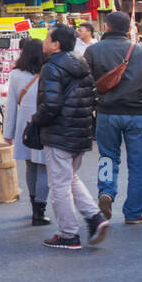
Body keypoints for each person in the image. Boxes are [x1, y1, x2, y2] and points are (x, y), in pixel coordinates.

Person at [37, 25, 109, 250]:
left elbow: (50, 104)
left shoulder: (51, 68)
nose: (44, 42)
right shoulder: (81, 62)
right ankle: (95, 217)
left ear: (56, 44)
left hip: (60, 133)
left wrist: (36, 121)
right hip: (80, 131)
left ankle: (68, 234)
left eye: (47, 38)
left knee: (59, 184)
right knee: (70, 178)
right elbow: (92, 97)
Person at [83, 11, 142, 224]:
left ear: (106, 27)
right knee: (139, 164)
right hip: (137, 115)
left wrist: (95, 106)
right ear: (128, 29)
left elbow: (85, 85)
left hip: (106, 114)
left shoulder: (93, 51)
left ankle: (106, 191)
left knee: (107, 157)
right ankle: (133, 212)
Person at [5, 38, 49, 226]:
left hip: (25, 125)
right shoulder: (48, 71)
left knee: (30, 165)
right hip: (44, 121)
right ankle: (40, 210)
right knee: (43, 166)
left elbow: (11, 106)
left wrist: (8, 132)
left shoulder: (15, 74)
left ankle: (33, 207)